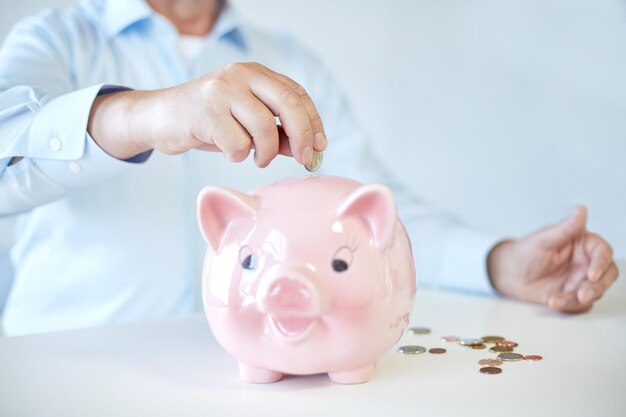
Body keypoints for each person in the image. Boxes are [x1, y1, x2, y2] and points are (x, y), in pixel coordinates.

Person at [0, 0, 618, 336]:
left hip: (257, 385)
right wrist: (146, 116)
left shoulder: (288, 62)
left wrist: (497, 261)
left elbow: (368, 220)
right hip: (66, 361)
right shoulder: (54, 40)